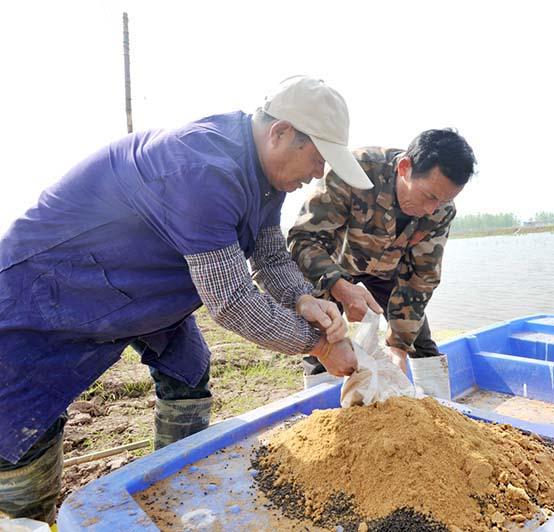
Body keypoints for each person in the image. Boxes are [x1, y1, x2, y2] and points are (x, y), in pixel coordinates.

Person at [0, 76, 371, 523]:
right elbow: (233, 301)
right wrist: (321, 346)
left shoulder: (267, 175)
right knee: (22, 427)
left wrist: (302, 299)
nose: (318, 174)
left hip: (145, 286)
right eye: (317, 159)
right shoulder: (203, 168)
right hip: (54, 286)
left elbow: (270, 255)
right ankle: (27, 516)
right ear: (281, 133)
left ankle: (169, 491)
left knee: (188, 372)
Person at [287, 129, 476, 396]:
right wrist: (339, 287)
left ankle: (436, 410)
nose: (431, 210)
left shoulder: (441, 210)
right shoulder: (354, 171)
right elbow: (304, 239)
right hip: (335, 268)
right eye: (429, 196)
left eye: (444, 201)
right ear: (405, 168)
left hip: (390, 272)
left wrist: (398, 348)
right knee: (322, 335)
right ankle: (321, 414)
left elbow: (421, 279)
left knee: (417, 340)